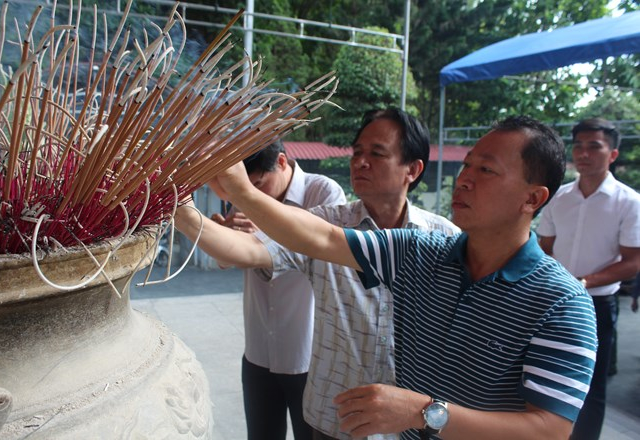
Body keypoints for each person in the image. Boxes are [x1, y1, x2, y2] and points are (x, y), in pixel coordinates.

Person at [207, 115, 598, 439]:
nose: (464, 179)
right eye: (466, 165)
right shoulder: (421, 252)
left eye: (486, 170)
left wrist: (425, 412)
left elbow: (550, 430)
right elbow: (320, 236)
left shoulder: (562, 302)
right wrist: (239, 194)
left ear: (533, 199)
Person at [176, 108, 460, 440]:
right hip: (335, 419)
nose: (360, 162)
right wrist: (175, 206)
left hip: (410, 425)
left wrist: (243, 192)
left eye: (377, 154)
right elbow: (248, 250)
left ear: (413, 169)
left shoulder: (445, 240)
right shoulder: (326, 222)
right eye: (357, 152)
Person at [202, 140, 346, 440]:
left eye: (259, 184)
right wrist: (225, 235)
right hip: (258, 353)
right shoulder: (242, 194)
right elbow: (225, 260)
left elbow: (313, 252)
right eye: (248, 186)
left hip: (308, 354)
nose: (252, 194)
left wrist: (260, 237)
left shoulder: (324, 193)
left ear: (282, 162)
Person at [537, 118, 640, 440]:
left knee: (590, 388)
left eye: (594, 146)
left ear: (612, 154)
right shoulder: (558, 197)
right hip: (551, 302)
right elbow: (544, 249)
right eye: (578, 146)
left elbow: (633, 261)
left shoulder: (629, 201)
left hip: (596, 305)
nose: (584, 153)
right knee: (542, 378)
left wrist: (582, 283)